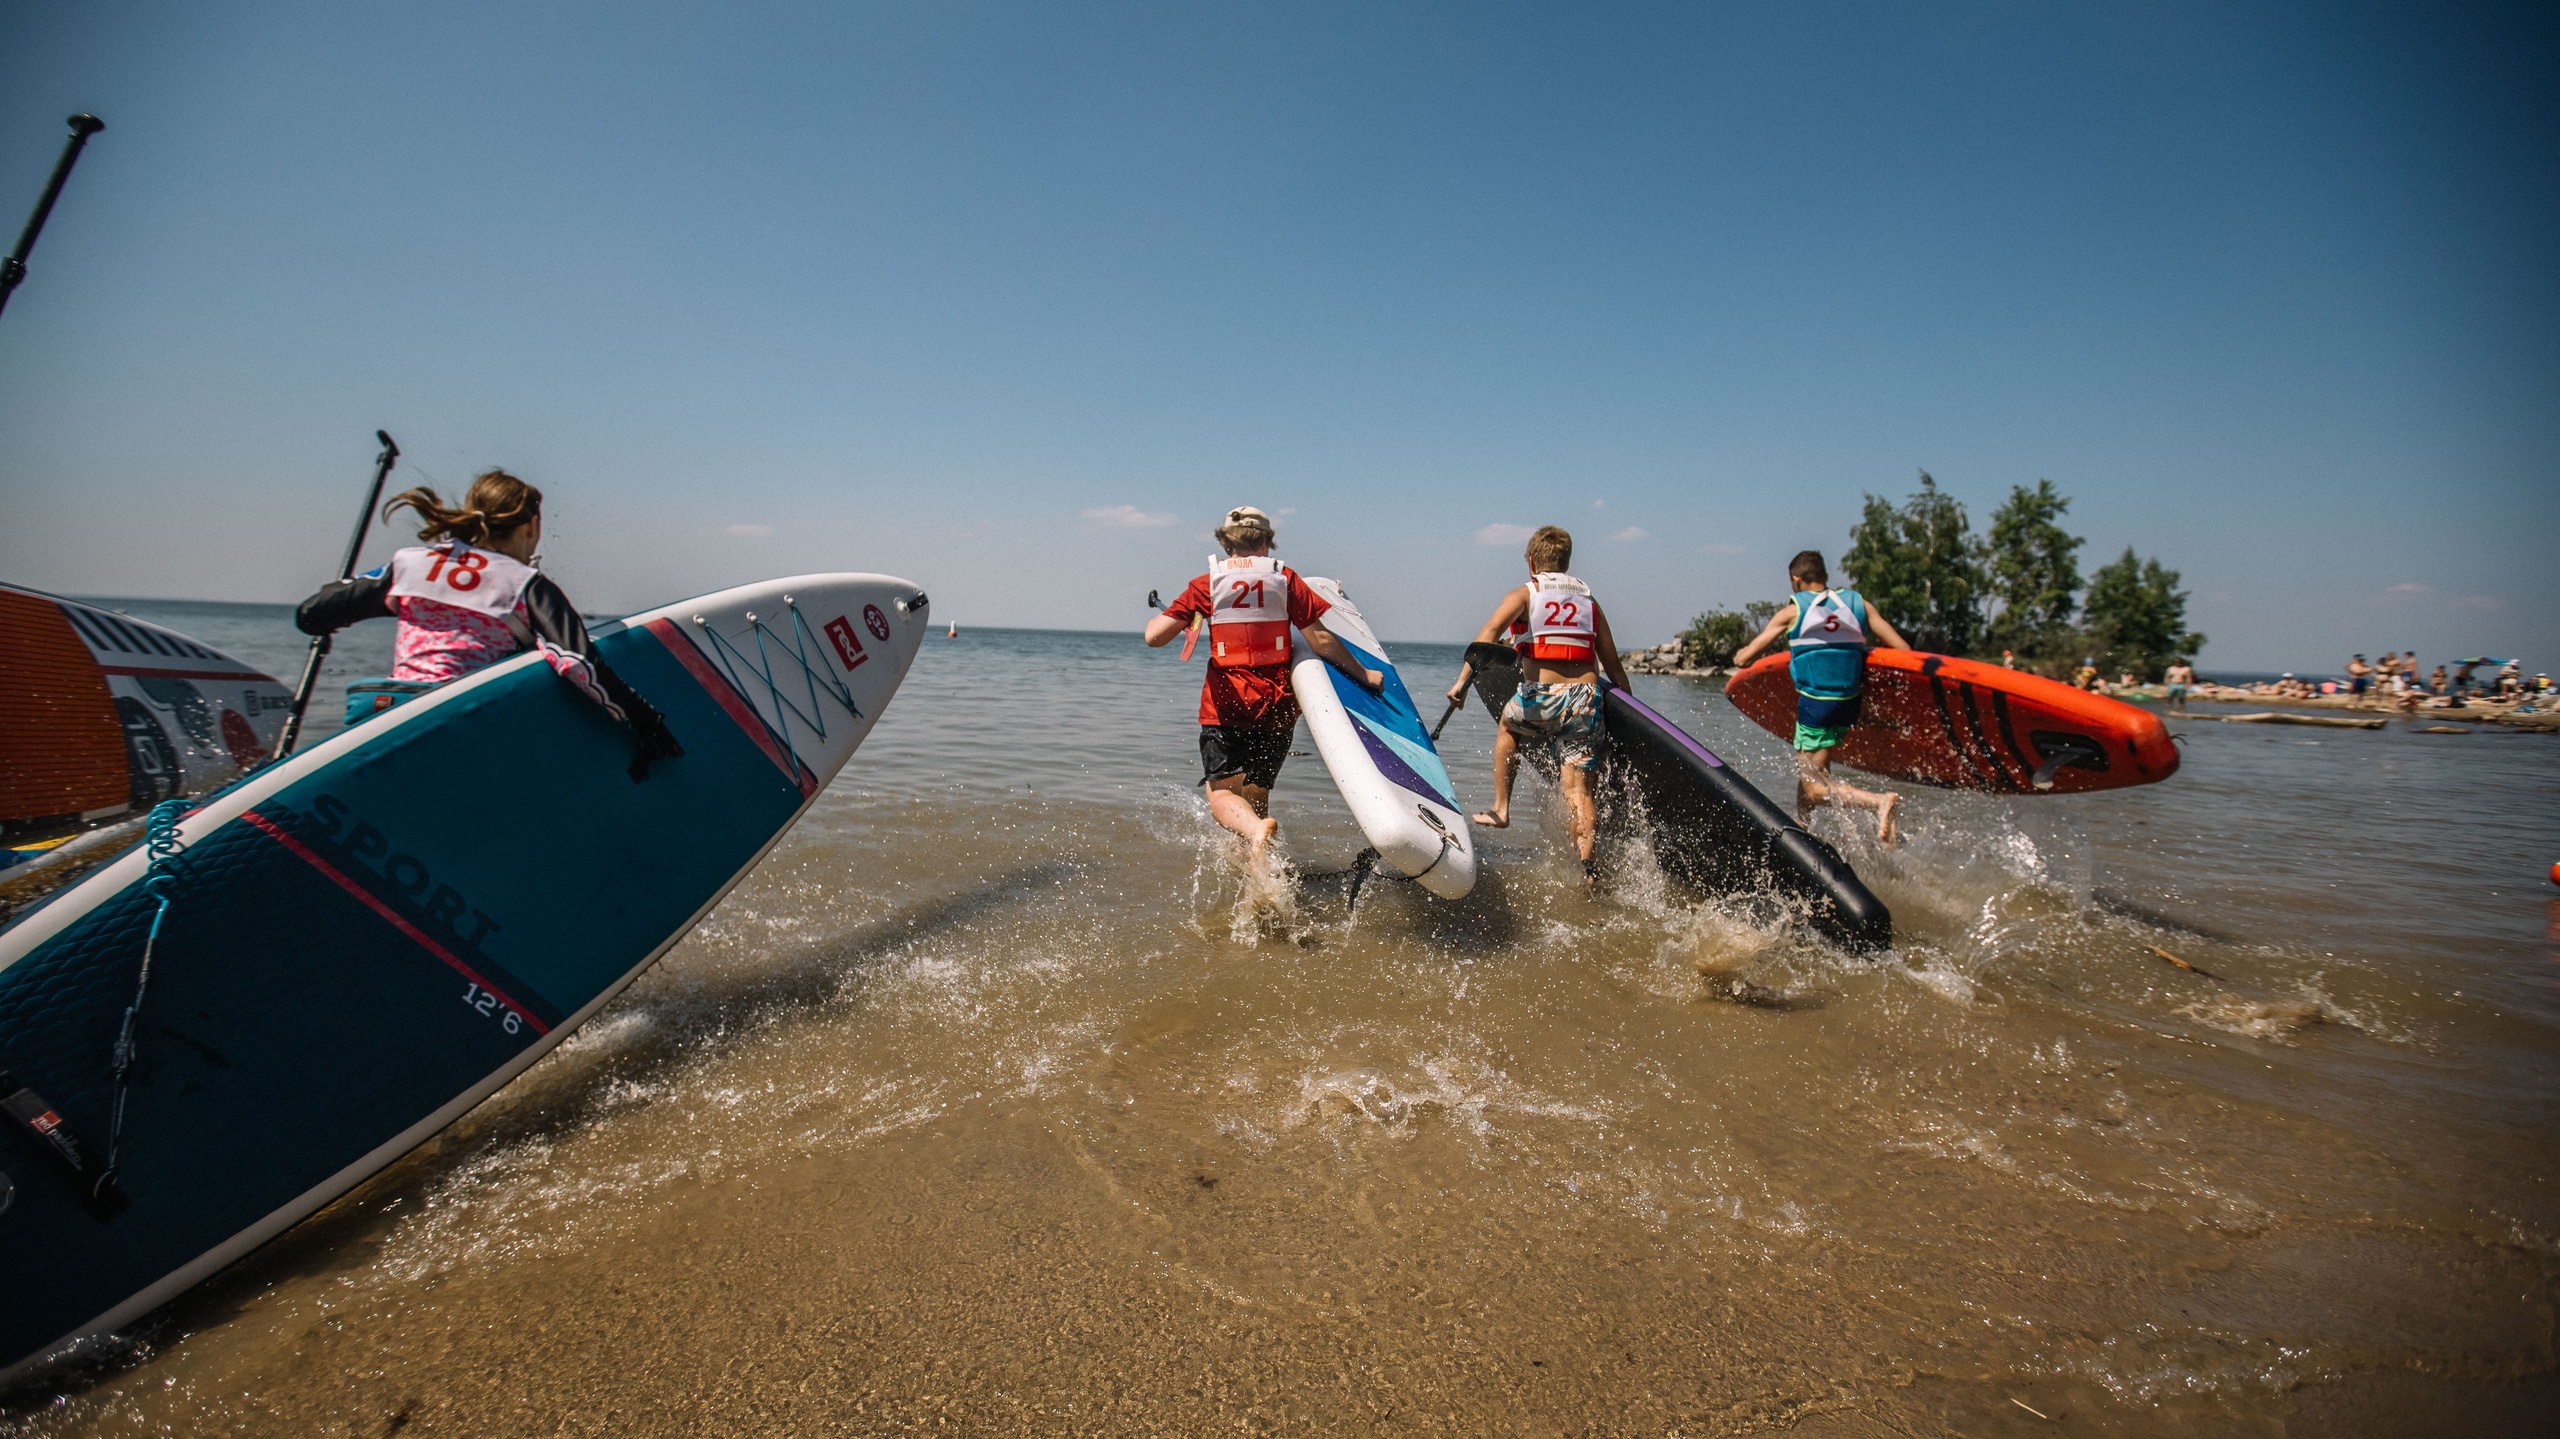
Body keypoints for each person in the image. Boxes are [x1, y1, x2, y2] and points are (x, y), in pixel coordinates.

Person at [296, 469, 682, 779]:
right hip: (468, 724)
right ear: (531, 525)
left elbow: (313, 613)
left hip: (392, 718)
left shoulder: (409, 564)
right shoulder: (523, 583)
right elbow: (579, 665)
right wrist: (648, 723)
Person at [1143, 506, 1382, 863]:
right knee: (1257, 794)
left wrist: (1190, 615)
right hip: (1277, 708)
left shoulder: (1206, 584)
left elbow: (1154, 637)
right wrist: (1364, 674)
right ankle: (1258, 869)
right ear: (1267, 541)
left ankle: (1254, 833)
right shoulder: (1284, 579)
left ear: (1225, 543)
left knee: (1223, 796)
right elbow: (1321, 640)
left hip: (1226, 708)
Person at [1444, 526, 1630, 882]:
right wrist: (1626, 712)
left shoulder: (1525, 594)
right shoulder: (1590, 602)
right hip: (1584, 701)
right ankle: (1588, 869)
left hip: (1541, 698)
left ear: (1531, 562)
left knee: (1508, 725)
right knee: (1578, 791)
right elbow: (1614, 665)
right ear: (1567, 562)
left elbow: (1486, 638)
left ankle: (1501, 808)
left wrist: (1462, 683)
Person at [1730, 550, 1909, 844]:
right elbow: (1903, 651)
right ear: (1825, 576)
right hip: (1849, 706)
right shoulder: (1858, 604)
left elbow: (1746, 657)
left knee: (1814, 787)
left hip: (1816, 708)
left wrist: (1740, 656)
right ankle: (1803, 828)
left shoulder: (1793, 611)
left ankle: (1878, 801)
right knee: (1812, 771)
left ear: (1795, 579)